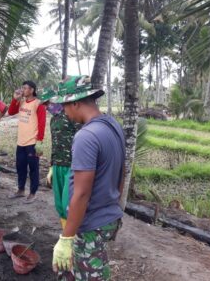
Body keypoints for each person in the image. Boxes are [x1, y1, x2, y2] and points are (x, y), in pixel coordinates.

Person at [51, 76, 125, 281]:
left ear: (75, 102)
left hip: (90, 223)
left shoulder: (86, 136)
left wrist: (66, 237)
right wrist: (113, 201)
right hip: (109, 214)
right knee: (87, 266)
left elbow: (82, 193)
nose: (64, 112)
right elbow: (122, 171)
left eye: (65, 106)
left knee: (89, 273)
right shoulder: (112, 125)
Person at [7, 81, 47, 203]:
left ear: (32, 90)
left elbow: (42, 123)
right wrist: (15, 99)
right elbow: (11, 112)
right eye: (22, 88)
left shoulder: (38, 104)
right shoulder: (22, 101)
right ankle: (20, 190)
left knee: (33, 169)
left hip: (32, 142)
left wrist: (39, 141)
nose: (23, 90)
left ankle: (33, 193)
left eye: (25, 88)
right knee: (20, 167)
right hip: (21, 141)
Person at [46, 100, 80, 230]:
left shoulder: (72, 116)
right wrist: (51, 166)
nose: (47, 107)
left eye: (48, 103)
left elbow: (81, 138)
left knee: (69, 202)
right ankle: (66, 232)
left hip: (72, 165)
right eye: (44, 105)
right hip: (58, 165)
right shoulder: (53, 120)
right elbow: (54, 144)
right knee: (59, 203)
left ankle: (74, 234)